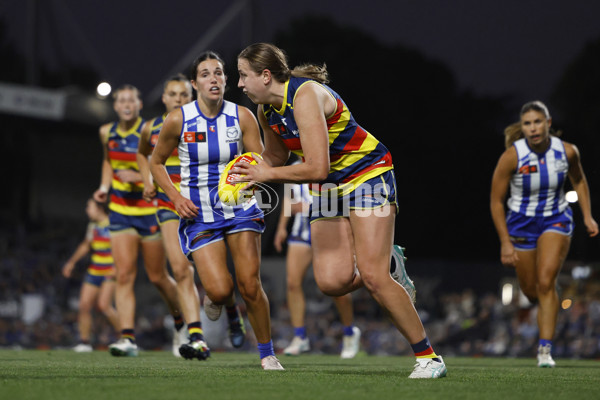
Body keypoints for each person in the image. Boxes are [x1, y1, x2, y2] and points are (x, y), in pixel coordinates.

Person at [235, 43, 443, 378]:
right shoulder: (267, 111)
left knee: (374, 278)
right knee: (331, 282)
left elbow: (316, 167)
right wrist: (245, 173)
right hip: (330, 188)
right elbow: (275, 158)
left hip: (366, 174)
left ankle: (429, 358)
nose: (240, 84)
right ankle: (389, 260)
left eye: (244, 75)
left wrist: (267, 175)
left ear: (265, 75)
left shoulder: (304, 97)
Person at [149, 51, 283, 370]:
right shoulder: (178, 119)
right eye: (206, 74)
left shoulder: (243, 116)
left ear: (226, 80)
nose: (214, 79)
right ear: (195, 83)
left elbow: (259, 161)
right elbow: (155, 163)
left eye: (219, 73)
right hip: (199, 213)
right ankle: (224, 302)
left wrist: (253, 179)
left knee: (250, 284)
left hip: (240, 209)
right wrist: (175, 198)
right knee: (221, 289)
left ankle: (267, 354)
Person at [137, 73, 247, 359]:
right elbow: (145, 155)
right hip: (170, 203)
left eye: (184, 94)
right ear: (164, 98)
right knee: (181, 269)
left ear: (192, 94)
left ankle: (231, 309)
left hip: (205, 203)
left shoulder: (200, 121)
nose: (179, 99)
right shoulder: (152, 127)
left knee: (220, 279)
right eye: (173, 94)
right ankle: (195, 336)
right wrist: (147, 182)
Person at [490, 100, 598, 368]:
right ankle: (545, 300)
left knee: (546, 280)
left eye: (538, 122)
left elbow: (579, 180)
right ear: (523, 127)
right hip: (520, 224)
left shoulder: (568, 152)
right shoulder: (512, 156)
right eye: (527, 123)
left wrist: (587, 216)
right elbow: (495, 200)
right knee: (530, 290)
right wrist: (505, 242)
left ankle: (544, 350)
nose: (533, 128)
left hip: (556, 219)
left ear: (548, 123)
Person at [93, 84, 185, 357]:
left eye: (131, 100)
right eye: (121, 100)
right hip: (120, 211)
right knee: (124, 275)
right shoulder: (105, 132)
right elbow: (109, 161)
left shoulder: (149, 130)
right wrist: (104, 186)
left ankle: (181, 322)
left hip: (150, 210)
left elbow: (158, 162)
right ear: (115, 104)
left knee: (157, 277)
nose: (126, 104)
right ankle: (127, 338)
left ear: (139, 104)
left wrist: (143, 180)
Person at [274, 178, 360, 358]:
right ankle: (299, 337)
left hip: (329, 230)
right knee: (292, 283)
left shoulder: (330, 163)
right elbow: (289, 199)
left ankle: (349, 333)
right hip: (302, 232)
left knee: (339, 286)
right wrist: (282, 227)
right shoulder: (295, 165)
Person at [62, 198, 120, 352]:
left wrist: (117, 266)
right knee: (84, 305)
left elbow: (121, 248)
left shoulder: (113, 223)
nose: (87, 210)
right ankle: (84, 342)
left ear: (99, 208)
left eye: (89, 207)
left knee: (104, 306)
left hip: (110, 270)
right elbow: (86, 245)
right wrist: (71, 262)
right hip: (94, 269)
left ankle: (126, 338)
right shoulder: (93, 226)